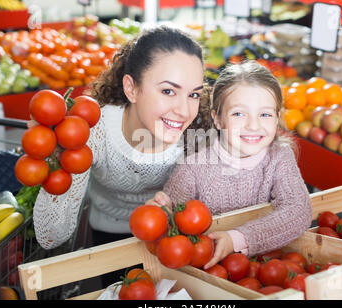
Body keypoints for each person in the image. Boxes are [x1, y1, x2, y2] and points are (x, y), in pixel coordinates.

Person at [31, 25, 211, 286]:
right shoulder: (94, 131)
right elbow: (50, 236)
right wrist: (58, 158)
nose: (184, 111)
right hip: (109, 232)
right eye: (168, 91)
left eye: (193, 93)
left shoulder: (197, 137)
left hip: (171, 237)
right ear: (131, 88)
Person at [147, 61, 312, 269]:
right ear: (217, 119)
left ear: (277, 118)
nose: (253, 125)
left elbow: (298, 210)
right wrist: (161, 215)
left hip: (266, 270)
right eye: (238, 114)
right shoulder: (193, 169)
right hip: (208, 272)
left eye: (265, 114)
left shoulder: (279, 157)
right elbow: (171, 238)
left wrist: (236, 239)